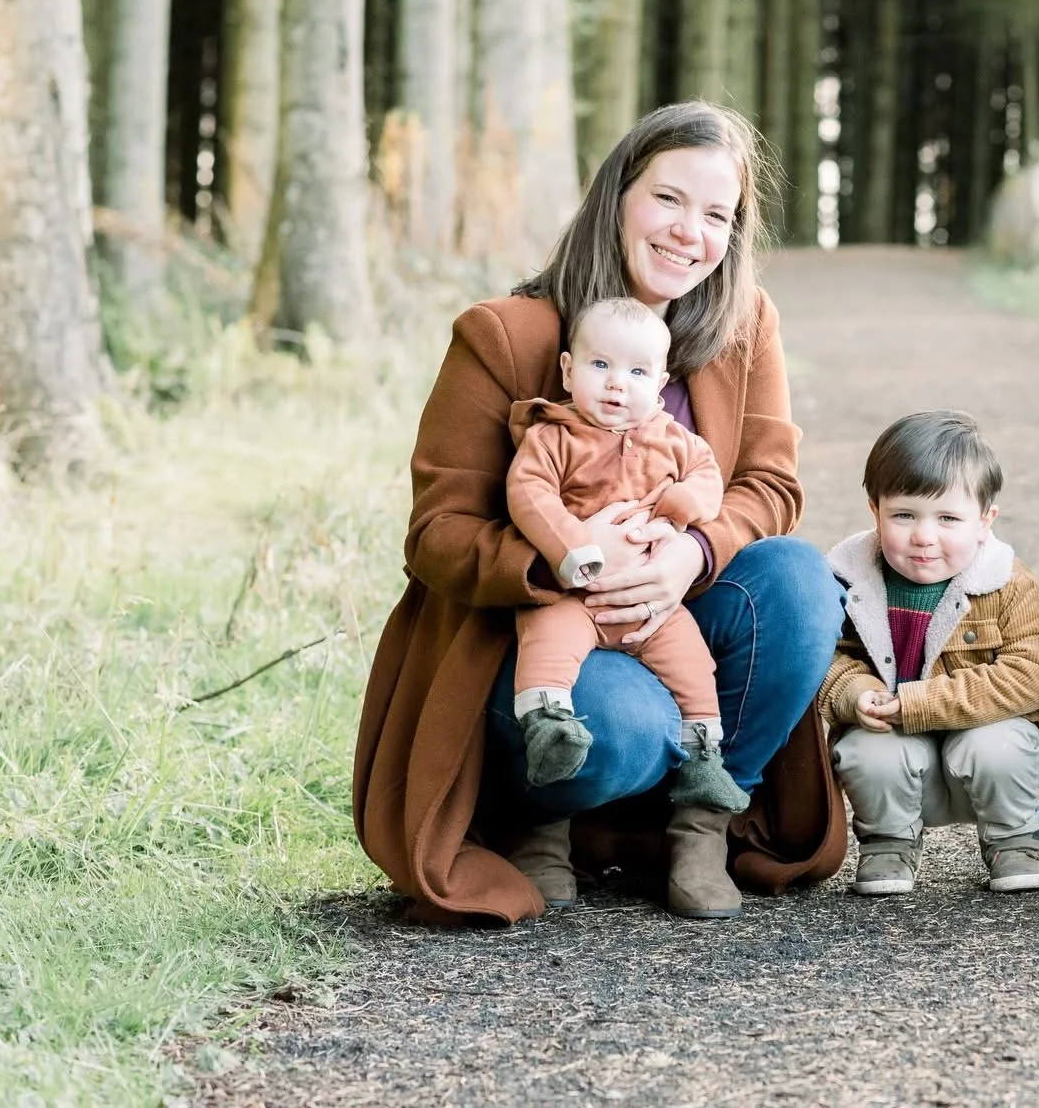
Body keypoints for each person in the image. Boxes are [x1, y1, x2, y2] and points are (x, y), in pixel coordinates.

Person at [354, 100, 847, 924]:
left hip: (678, 612)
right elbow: (436, 534)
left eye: (717, 214)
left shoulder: (743, 325)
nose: (690, 231)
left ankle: (702, 824)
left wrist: (692, 551)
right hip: (546, 631)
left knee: (799, 581)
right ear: (618, 194)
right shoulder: (505, 335)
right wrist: (567, 557)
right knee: (625, 723)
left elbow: (772, 484)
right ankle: (540, 819)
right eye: (668, 199)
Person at [502, 296, 745, 814]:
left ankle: (703, 758)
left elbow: (708, 479)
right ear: (568, 371)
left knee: (693, 664)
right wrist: (574, 549)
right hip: (573, 596)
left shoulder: (675, 440)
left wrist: (680, 511)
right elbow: (531, 495)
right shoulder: (552, 437)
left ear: (660, 385)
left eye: (637, 371)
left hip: (655, 606)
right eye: (600, 365)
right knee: (547, 643)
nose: (617, 383)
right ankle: (548, 727)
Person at [817, 411, 1039, 896]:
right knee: (861, 750)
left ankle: (1014, 837)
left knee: (999, 746)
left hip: (982, 742)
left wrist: (917, 703)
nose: (924, 536)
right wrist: (856, 694)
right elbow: (827, 658)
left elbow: (1031, 673)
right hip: (894, 751)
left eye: (948, 519)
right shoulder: (850, 581)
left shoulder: (1005, 581)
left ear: (984, 522)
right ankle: (889, 840)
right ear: (874, 511)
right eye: (904, 515)